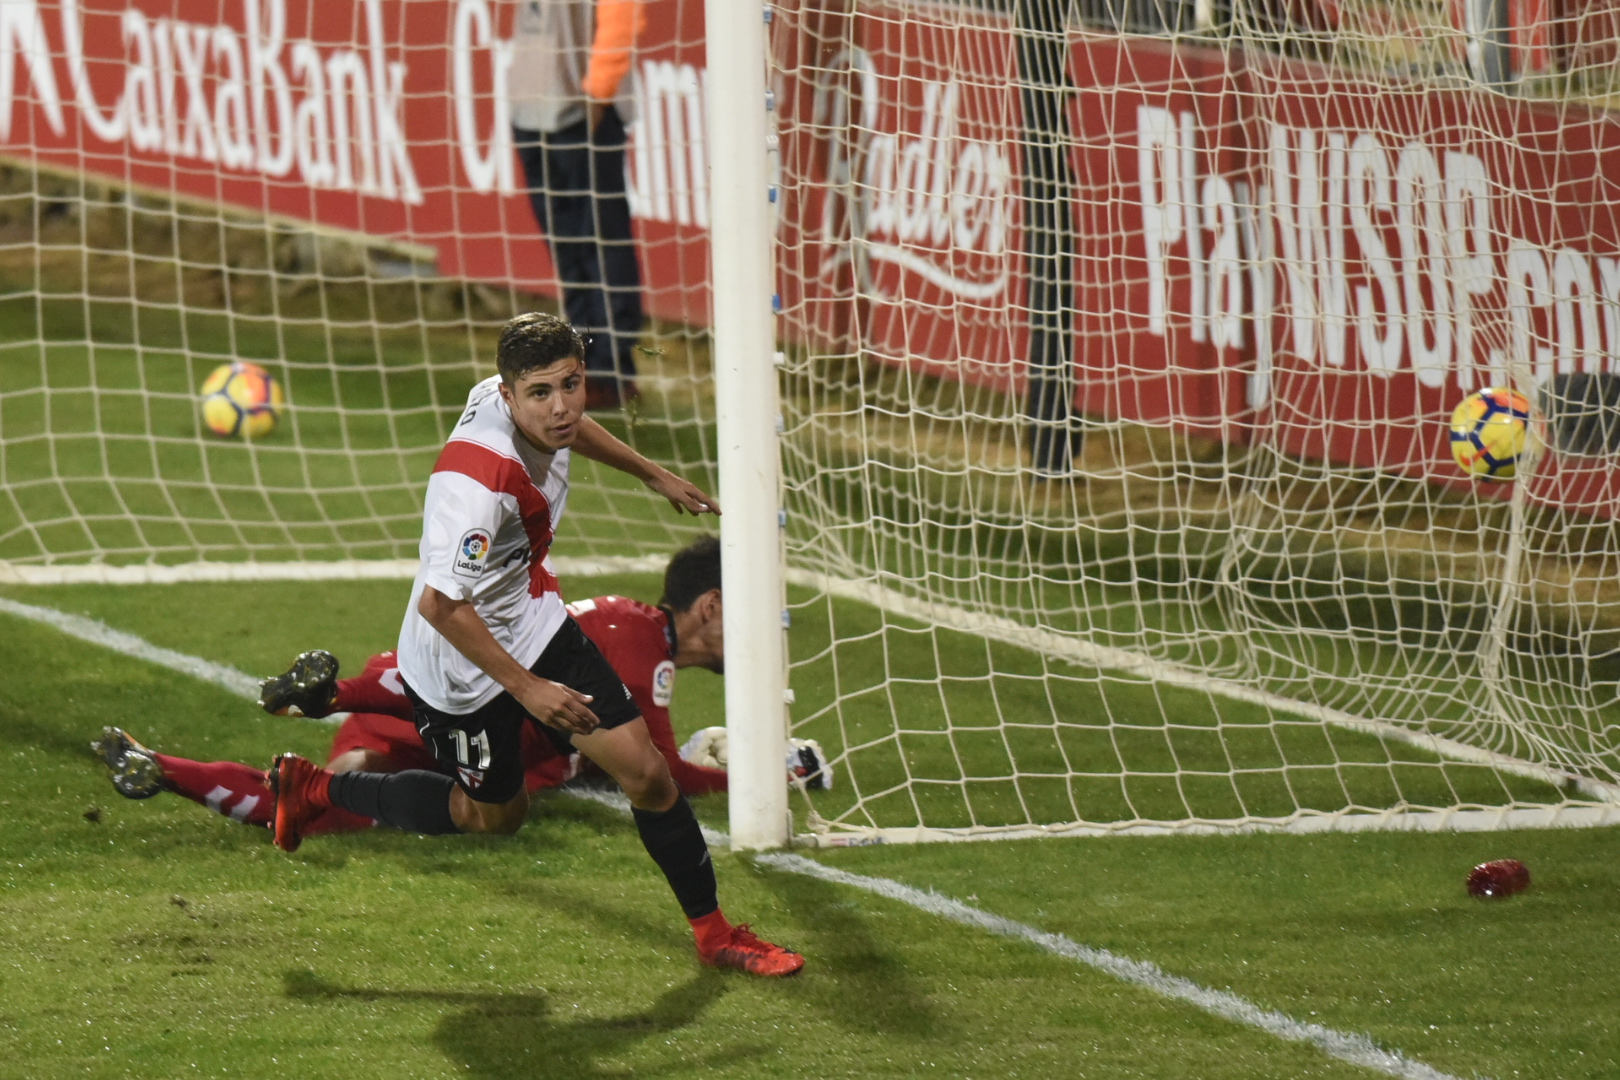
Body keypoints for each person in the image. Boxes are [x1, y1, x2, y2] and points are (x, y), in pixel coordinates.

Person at [271, 312, 800, 976]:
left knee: (647, 774)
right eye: (542, 394)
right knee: (490, 816)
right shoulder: (477, 488)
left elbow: (572, 430)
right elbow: (441, 605)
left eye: (571, 385)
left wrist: (649, 473)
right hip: (458, 662)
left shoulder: (520, 398)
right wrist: (529, 689)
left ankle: (715, 933)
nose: (561, 407)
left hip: (531, 618)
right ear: (508, 395)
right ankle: (318, 789)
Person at [509, 0, 645, 409]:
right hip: (531, 107)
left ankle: (611, 369)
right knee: (566, 246)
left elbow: (624, 15)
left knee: (600, 242)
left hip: (581, 109)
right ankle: (581, 360)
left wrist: (599, 92)